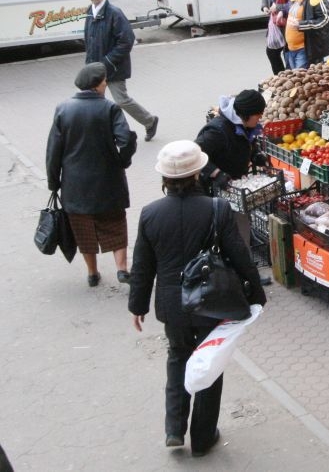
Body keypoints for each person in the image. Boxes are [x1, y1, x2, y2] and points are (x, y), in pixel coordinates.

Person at [128, 140, 267, 457]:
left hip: (171, 304)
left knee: (178, 357)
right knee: (209, 364)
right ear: (196, 175)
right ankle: (203, 437)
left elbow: (142, 265)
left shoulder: (150, 214)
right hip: (211, 300)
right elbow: (240, 255)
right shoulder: (216, 209)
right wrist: (256, 293)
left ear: (164, 179)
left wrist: (137, 306)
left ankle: (174, 429)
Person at [46, 62, 138, 287]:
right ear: (97, 85)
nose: (106, 83)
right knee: (115, 223)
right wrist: (122, 162)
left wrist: (53, 182)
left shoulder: (63, 109)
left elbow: (53, 151)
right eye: (105, 80)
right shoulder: (110, 108)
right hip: (108, 181)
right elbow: (125, 141)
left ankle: (92, 273)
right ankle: (122, 269)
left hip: (75, 185)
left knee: (83, 230)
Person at [84, 0, 159, 142]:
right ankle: (105, 134)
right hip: (95, 67)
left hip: (113, 67)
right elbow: (88, 39)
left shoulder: (114, 13)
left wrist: (108, 61)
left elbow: (127, 40)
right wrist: (89, 63)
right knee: (95, 102)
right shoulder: (90, 11)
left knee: (121, 100)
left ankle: (150, 121)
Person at [195, 89, 269, 196]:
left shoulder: (245, 124)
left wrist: (255, 155)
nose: (261, 117)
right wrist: (216, 173)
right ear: (247, 115)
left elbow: (246, 141)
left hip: (234, 182)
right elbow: (196, 153)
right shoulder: (217, 131)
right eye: (259, 114)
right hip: (216, 189)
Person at [284, 0, 329, 69]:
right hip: (291, 49)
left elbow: (325, 19)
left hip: (305, 50)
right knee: (294, 78)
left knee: (302, 78)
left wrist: (301, 25)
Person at [261, 0, 290, 75]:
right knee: (271, 52)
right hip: (275, 23)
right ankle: (281, 78)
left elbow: (294, 4)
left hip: (288, 24)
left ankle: (287, 78)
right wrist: (265, 6)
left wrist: (278, 7)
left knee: (288, 54)